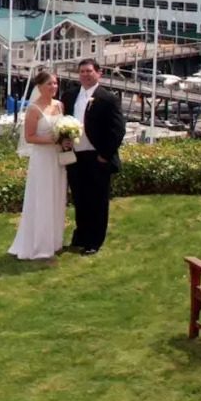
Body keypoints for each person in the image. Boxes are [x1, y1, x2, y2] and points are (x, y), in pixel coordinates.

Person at [63, 58, 127, 255]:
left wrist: (104, 155)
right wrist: (64, 141)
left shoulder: (108, 98)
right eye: (82, 71)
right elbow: (62, 122)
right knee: (80, 199)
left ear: (98, 73)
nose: (85, 75)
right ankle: (81, 236)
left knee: (97, 201)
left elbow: (117, 130)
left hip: (97, 157)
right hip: (75, 157)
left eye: (89, 71)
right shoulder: (69, 95)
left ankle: (94, 241)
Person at [8, 68, 67, 261]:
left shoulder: (59, 105)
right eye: (49, 84)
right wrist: (54, 140)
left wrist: (67, 139)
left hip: (58, 159)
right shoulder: (34, 109)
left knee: (56, 196)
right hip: (42, 159)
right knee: (42, 198)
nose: (53, 87)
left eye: (55, 83)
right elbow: (30, 137)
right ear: (40, 86)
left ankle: (54, 241)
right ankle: (39, 244)